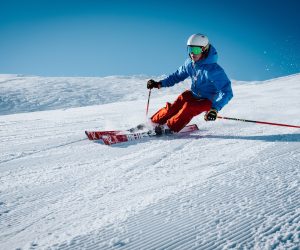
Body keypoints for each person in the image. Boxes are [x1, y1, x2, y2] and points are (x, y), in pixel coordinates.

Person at [147, 33, 233, 135]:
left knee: (189, 107)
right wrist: (159, 84)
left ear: (204, 49)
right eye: (190, 49)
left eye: (196, 50)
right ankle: (153, 123)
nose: (192, 53)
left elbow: (227, 92)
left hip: (208, 100)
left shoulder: (213, 70)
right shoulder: (189, 63)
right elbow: (177, 76)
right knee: (176, 104)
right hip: (194, 94)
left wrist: (215, 109)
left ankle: (169, 127)